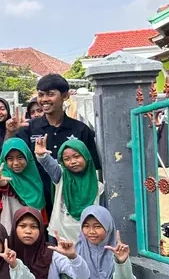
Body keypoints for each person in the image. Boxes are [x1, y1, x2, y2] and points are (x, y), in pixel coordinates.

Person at [7, 74, 101, 216]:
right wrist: (10, 133)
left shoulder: (81, 130)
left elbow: (92, 169)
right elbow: (8, 159)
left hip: (72, 203)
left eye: (50, 94)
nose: (44, 99)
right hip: (38, 201)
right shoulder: (28, 128)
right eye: (41, 94)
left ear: (65, 96)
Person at [36, 138, 103, 242]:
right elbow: (50, 165)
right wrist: (42, 156)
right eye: (67, 159)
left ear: (86, 156)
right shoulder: (61, 176)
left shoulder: (99, 187)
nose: (73, 162)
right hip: (59, 235)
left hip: (86, 237)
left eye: (77, 156)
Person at [0, 138, 46, 233]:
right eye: (10, 159)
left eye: (20, 157)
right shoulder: (5, 175)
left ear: (27, 157)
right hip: (11, 230)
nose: (16, 163)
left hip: (32, 233)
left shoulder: (35, 179)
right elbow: (3, 184)